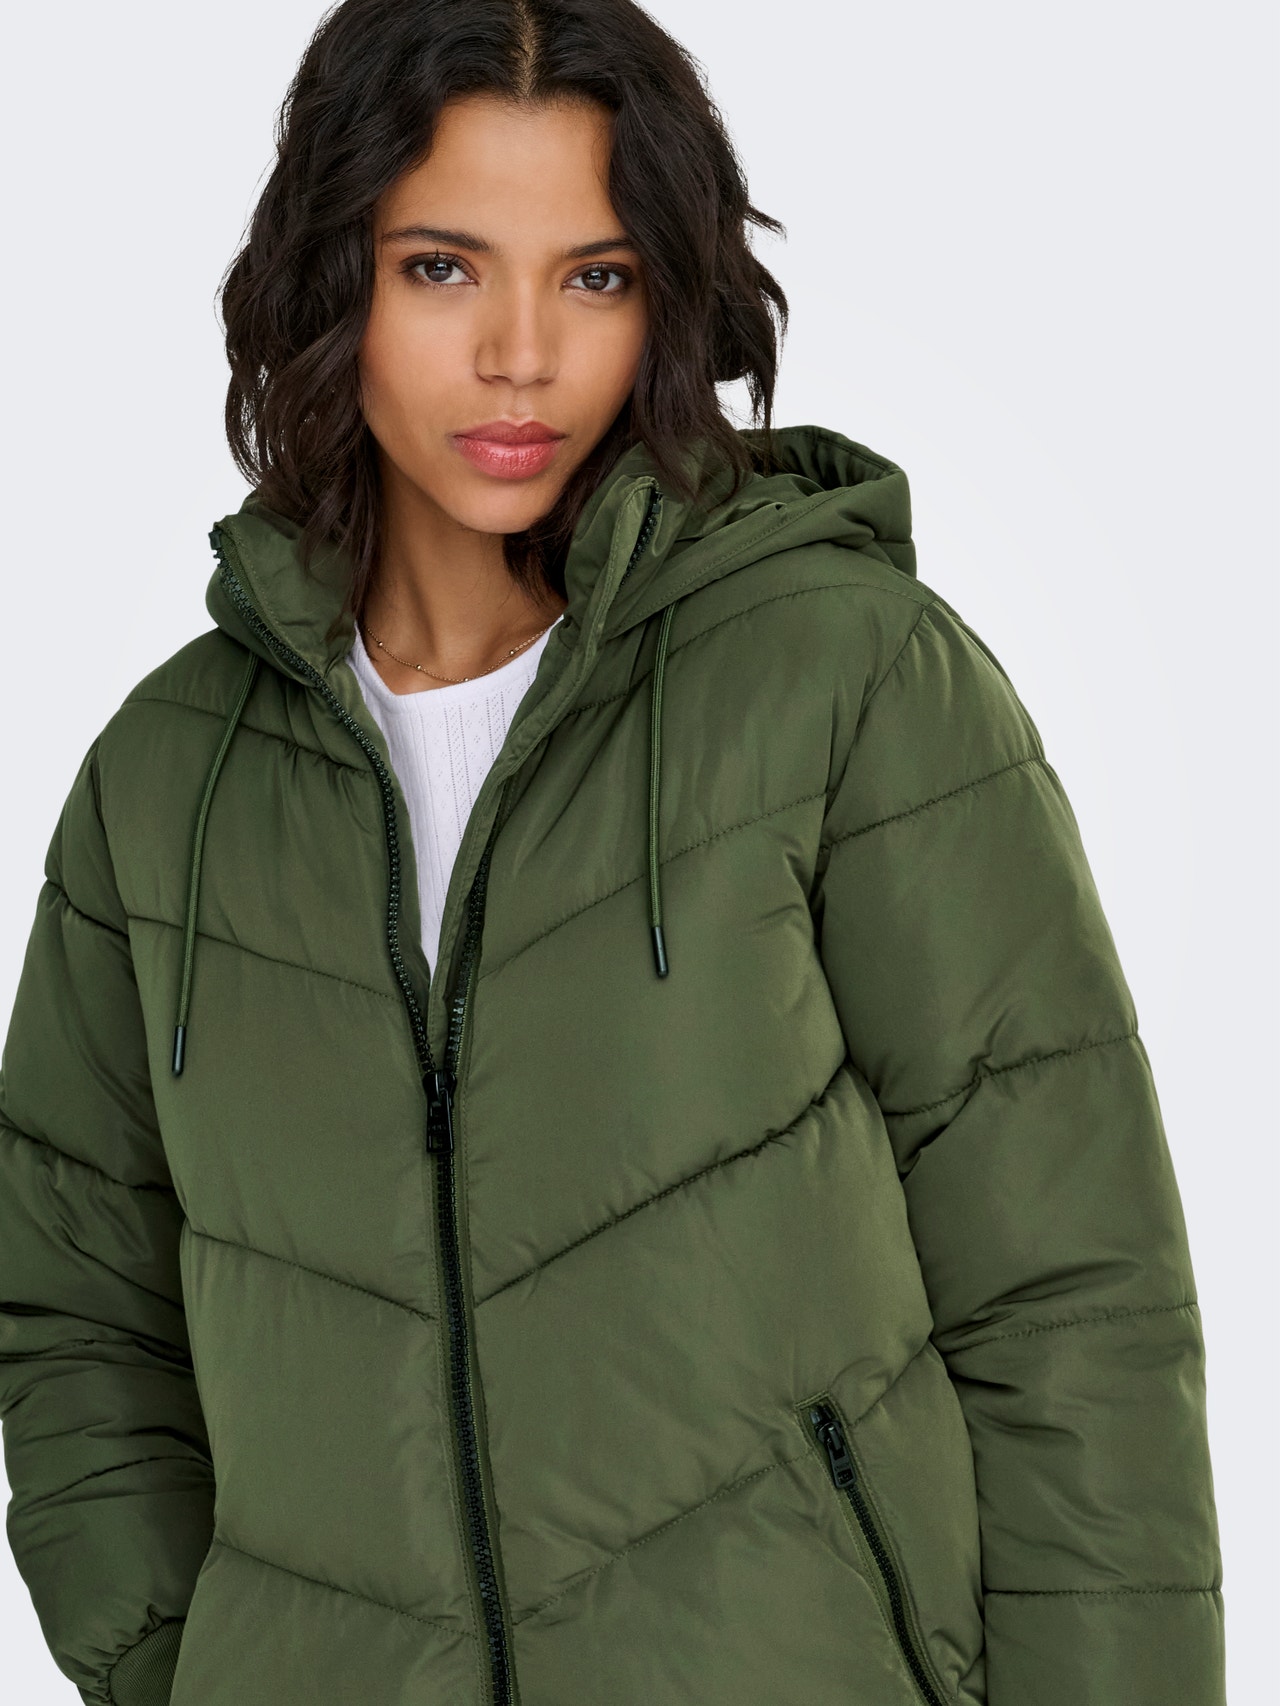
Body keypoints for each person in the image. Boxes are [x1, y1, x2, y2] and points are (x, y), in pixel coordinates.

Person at [0, 1, 1226, 1703]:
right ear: (330, 281)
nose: (522, 354)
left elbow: (1072, 1296)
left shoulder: (845, 680)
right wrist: (191, 1671)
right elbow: (74, 1316)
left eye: (594, 275)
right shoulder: (166, 782)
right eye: (443, 268)